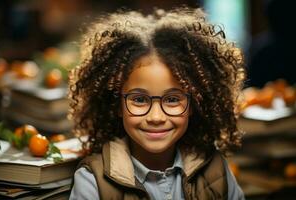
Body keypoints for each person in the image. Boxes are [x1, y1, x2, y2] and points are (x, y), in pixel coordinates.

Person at [69, 7, 245, 200]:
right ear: (118, 104)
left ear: (194, 104)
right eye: (139, 100)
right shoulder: (93, 182)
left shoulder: (216, 173)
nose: (156, 117)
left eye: (172, 99)